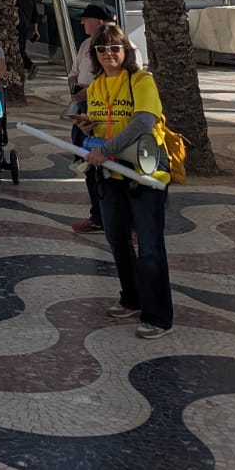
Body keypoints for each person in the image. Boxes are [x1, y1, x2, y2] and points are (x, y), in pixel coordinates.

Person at [77, 23, 175, 339]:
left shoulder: (141, 81)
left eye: (115, 48)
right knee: (118, 241)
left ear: (127, 51)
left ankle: (158, 316)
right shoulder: (95, 86)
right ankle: (131, 298)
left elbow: (144, 122)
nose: (108, 54)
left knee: (149, 246)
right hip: (111, 175)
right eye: (101, 49)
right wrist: (90, 130)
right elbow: (103, 125)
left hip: (145, 174)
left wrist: (106, 149)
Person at [69, 2, 115, 234]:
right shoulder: (87, 43)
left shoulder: (118, 45)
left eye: (85, 18)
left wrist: (89, 90)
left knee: (114, 169)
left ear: (97, 21)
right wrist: (75, 88)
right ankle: (97, 215)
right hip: (85, 107)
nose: (81, 22)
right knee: (87, 163)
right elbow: (76, 71)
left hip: (111, 112)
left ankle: (128, 223)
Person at [14, 0, 40, 75]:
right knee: (21, 47)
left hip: (18, 26)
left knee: (18, 48)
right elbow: (35, 14)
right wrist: (35, 29)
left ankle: (30, 65)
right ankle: (25, 67)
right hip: (27, 26)